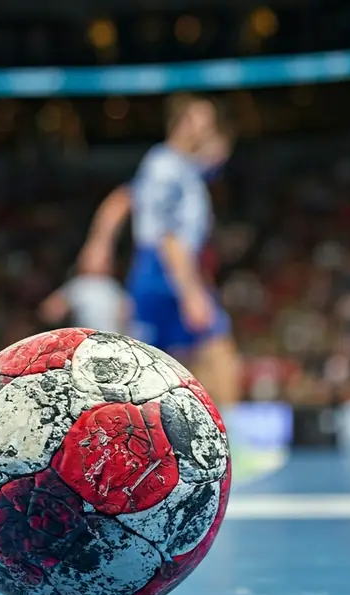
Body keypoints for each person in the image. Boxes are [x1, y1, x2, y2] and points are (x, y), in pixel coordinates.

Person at [77, 93, 240, 406]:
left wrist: (100, 240)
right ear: (183, 123)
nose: (208, 128)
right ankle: (230, 430)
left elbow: (123, 197)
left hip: (162, 270)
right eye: (203, 120)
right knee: (216, 352)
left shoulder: (175, 165)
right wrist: (191, 291)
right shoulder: (167, 167)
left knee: (157, 367)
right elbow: (169, 236)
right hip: (167, 270)